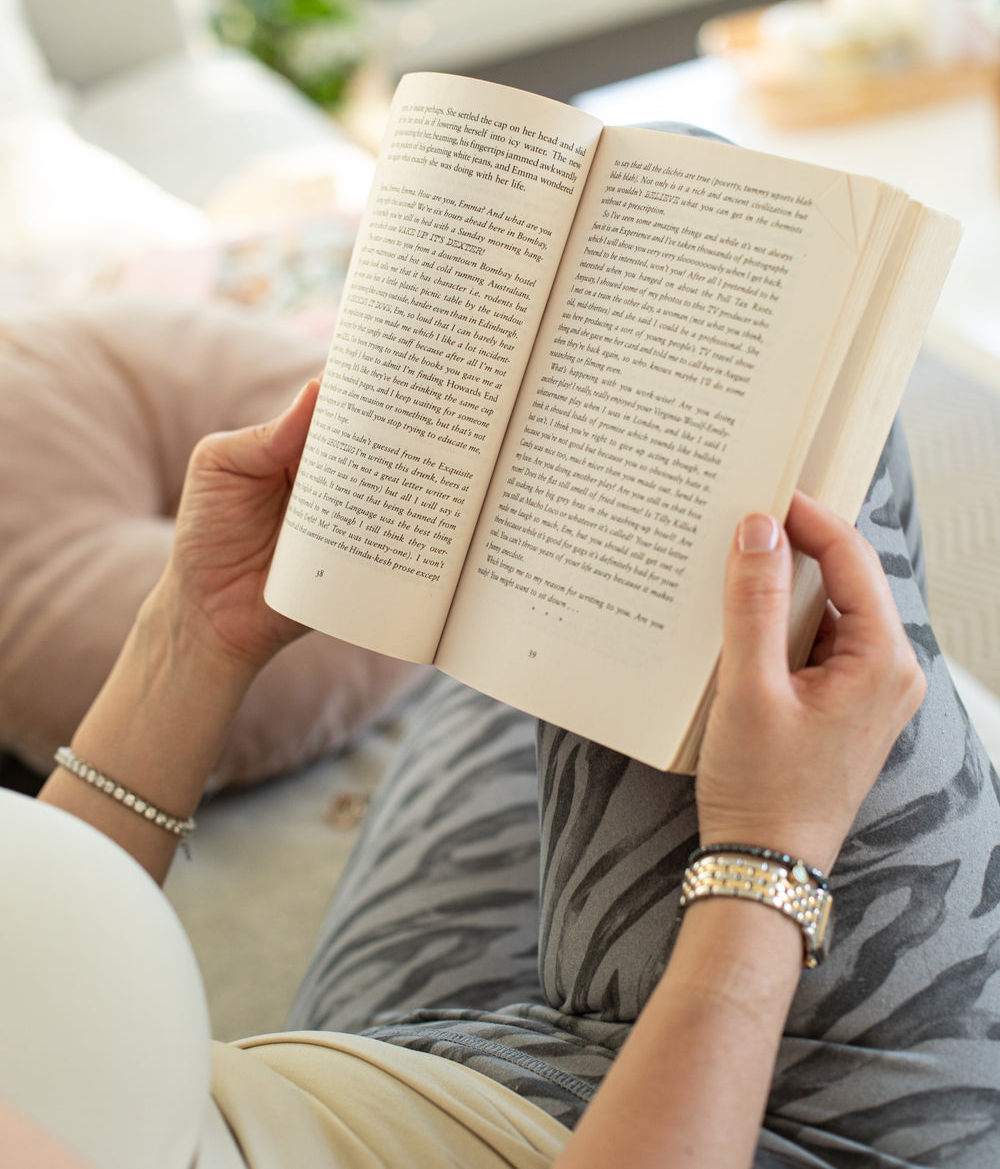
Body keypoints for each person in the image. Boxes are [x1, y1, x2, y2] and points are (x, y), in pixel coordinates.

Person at [2, 375, 999, 1168]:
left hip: (360, 1078)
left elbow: (37, 997)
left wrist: (197, 627)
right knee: (747, 417)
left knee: (555, 600)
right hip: (772, 1133)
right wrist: (769, 847)